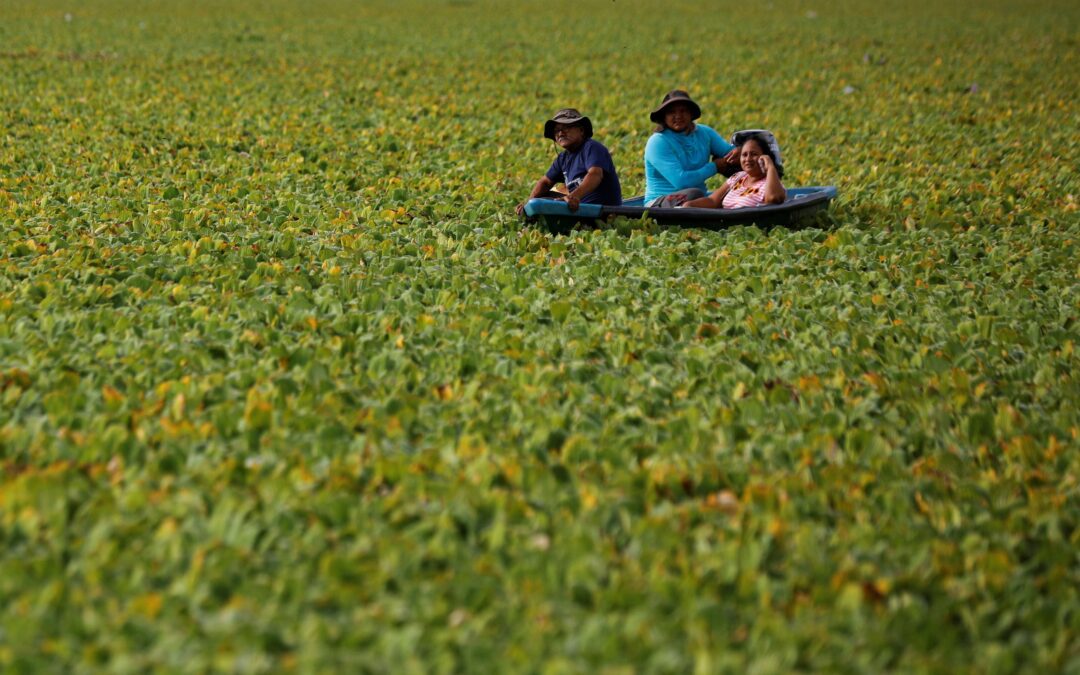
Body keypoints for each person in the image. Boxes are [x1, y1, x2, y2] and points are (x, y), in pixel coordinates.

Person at [643, 90, 740, 208]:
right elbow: (681, 182)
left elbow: (729, 153)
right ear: (664, 117)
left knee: (740, 170)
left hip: (697, 199)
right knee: (694, 193)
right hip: (660, 202)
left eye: (683, 111)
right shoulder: (658, 141)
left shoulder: (704, 133)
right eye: (672, 112)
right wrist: (714, 167)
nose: (678, 116)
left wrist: (740, 152)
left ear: (691, 114)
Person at [516, 108, 622, 215]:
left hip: (601, 212)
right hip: (576, 209)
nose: (561, 133)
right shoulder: (562, 158)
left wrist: (574, 196)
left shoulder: (591, 147)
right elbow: (545, 182)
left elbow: (595, 174)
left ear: (581, 130)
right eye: (557, 130)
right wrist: (528, 203)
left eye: (566, 127)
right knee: (549, 193)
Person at [681, 133, 786, 209]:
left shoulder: (770, 183)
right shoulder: (738, 177)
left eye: (754, 154)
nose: (748, 159)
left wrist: (770, 166)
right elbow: (713, 200)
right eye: (744, 155)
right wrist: (690, 205)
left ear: (764, 157)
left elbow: (774, 198)